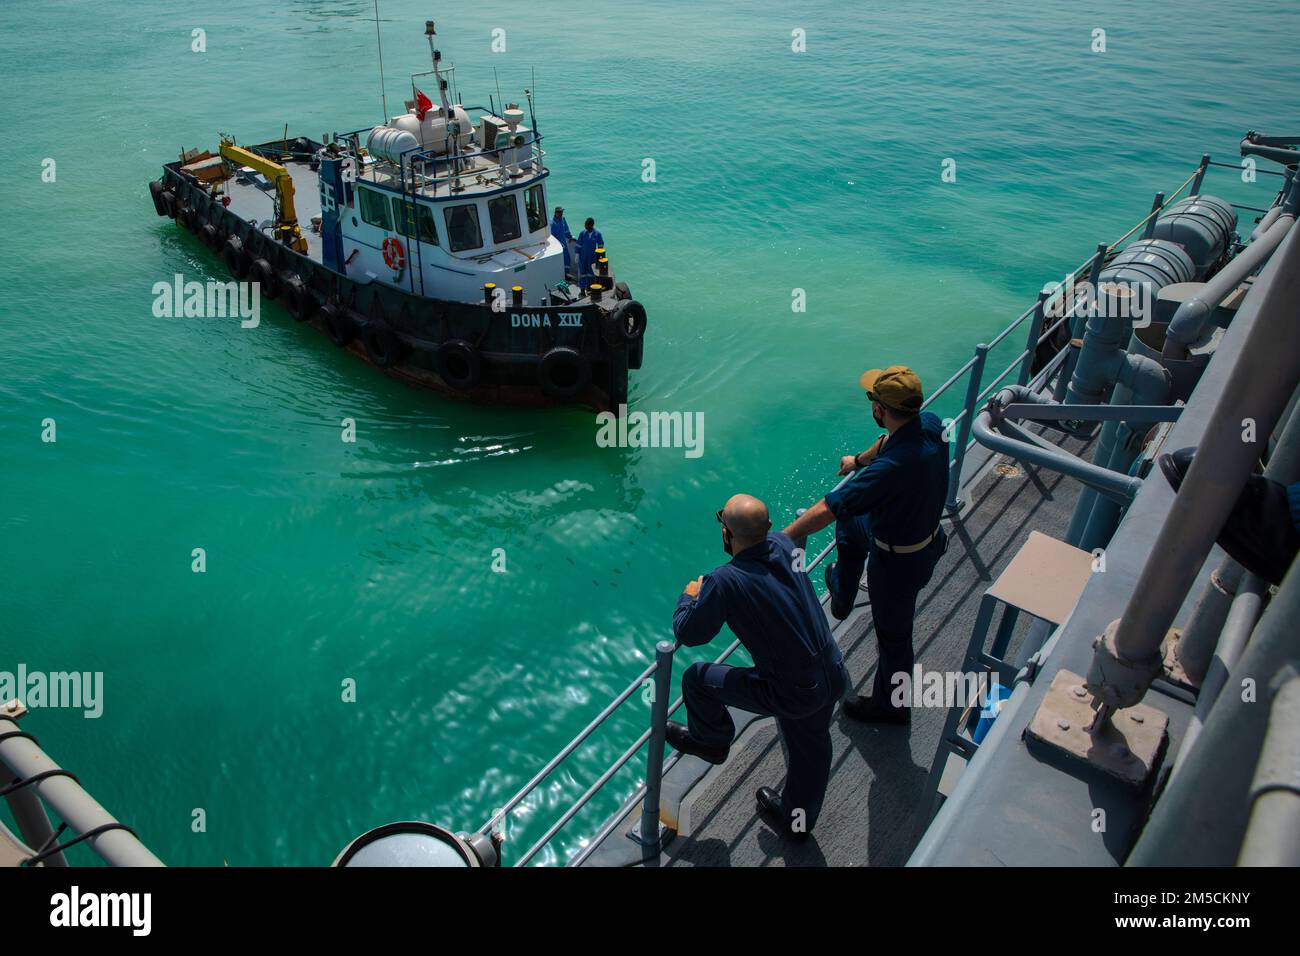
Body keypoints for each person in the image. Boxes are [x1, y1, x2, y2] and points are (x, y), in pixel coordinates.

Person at [669, 494, 849, 841]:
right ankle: (798, 821)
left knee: (697, 679)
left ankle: (712, 742)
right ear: (768, 528)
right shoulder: (783, 543)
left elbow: (690, 633)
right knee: (811, 747)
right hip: (832, 670)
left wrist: (689, 597)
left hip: (792, 690)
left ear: (726, 533)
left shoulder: (724, 580)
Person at [782, 366, 949, 725]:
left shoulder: (890, 470)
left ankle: (892, 707)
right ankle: (842, 591)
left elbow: (829, 507)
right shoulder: (930, 424)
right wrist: (857, 460)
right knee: (852, 523)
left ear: (880, 409)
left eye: (872, 400)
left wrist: (782, 537)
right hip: (925, 537)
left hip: (898, 564)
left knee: (894, 637)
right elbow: (889, 442)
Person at [574, 217, 604, 290]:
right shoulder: (582, 233)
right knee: (582, 273)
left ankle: (590, 288)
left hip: (592, 257)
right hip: (583, 257)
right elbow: (578, 244)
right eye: (585, 225)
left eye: (587, 225)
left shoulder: (598, 234)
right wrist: (577, 254)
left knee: (591, 273)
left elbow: (600, 245)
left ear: (591, 225)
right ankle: (582, 289)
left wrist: (599, 256)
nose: (585, 226)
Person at [549, 206, 574, 277]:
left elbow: (566, 230)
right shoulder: (552, 223)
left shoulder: (563, 219)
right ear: (556, 213)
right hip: (557, 246)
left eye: (562, 212)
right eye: (559, 212)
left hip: (564, 244)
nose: (561, 213)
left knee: (567, 259)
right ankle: (560, 275)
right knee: (559, 261)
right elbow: (552, 237)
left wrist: (570, 237)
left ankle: (566, 274)